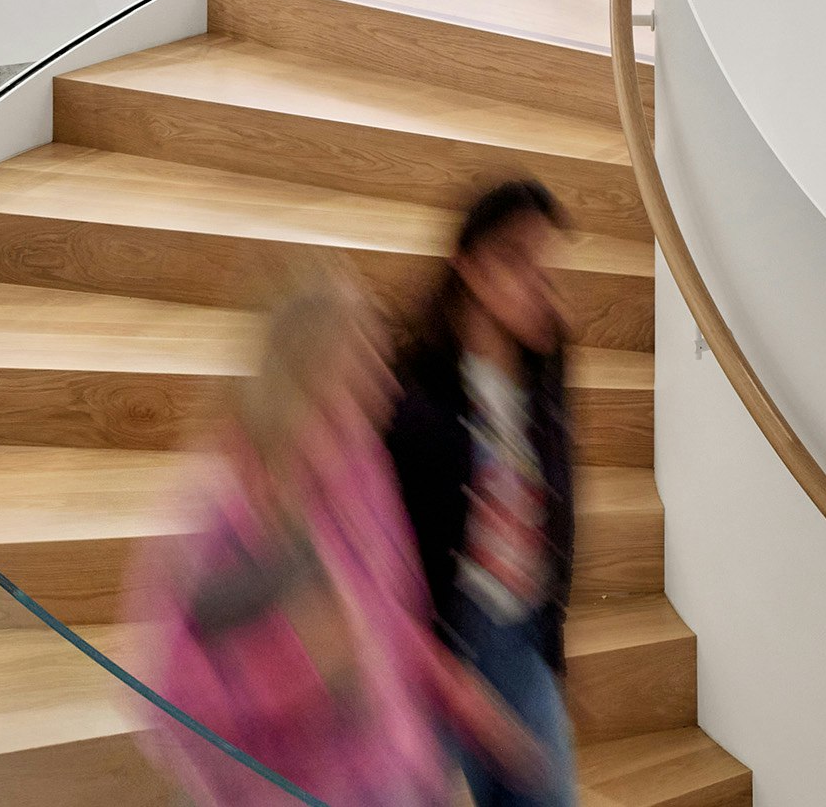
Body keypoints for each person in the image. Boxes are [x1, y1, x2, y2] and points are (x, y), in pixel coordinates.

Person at [130, 270, 530, 805]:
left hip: (392, 782)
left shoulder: (362, 472)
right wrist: (304, 679)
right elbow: (174, 698)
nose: (388, 386)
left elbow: (385, 617)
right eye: (361, 363)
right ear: (306, 371)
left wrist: (459, 696)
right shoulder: (226, 511)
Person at [386, 181, 579, 807]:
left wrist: (549, 633)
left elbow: (557, 506)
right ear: (468, 267)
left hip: (521, 635)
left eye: (543, 264)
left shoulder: (547, 373)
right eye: (516, 260)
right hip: (437, 646)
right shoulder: (412, 396)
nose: (537, 284)